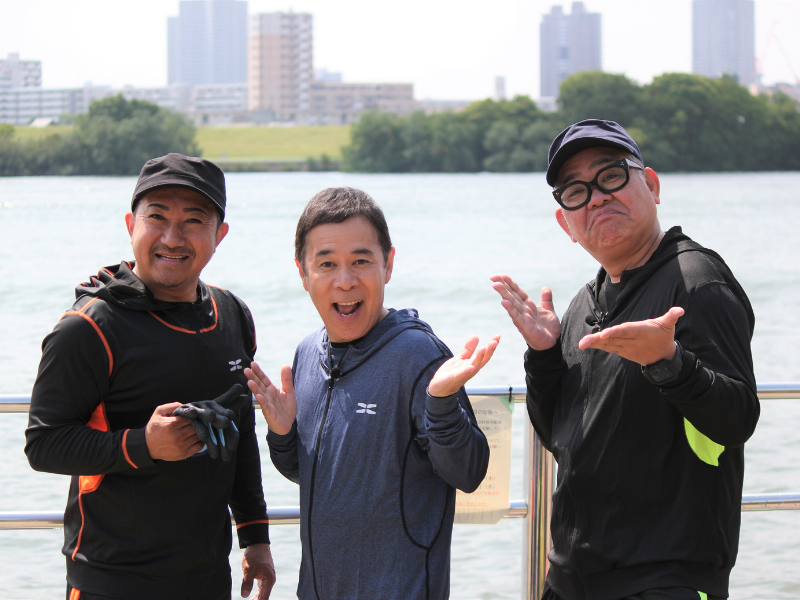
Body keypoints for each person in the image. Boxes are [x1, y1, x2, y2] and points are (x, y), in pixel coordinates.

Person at [491, 120, 759, 600]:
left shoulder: (695, 281)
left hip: (664, 579)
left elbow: (737, 419)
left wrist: (669, 362)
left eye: (611, 176)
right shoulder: (584, 304)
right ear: (566, 224)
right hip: (572, 579)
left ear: (651, 186)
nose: (596, 198)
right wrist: (544, 355)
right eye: (575, 192)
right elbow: (561, 438)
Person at [25, 154, 276, 600]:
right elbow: (44, 444)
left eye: (193, 221)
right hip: (111, 579)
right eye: (156, 217)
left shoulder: (233, 314)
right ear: (131, 225)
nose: (172, 238)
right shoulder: (90, 327)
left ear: (219, 235)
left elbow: (239, 432)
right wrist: (144, 445)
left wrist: (255, 536)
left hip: (208, 577)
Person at [245, 187, 497, 600]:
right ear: (303, 273)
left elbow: (468, 474)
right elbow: (313, 475)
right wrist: (284, 434)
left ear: (388, 265)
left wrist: (441, 406)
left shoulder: (418, 355)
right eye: (327, 264)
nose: (345, 281)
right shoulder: (307, 354)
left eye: (361, 261)